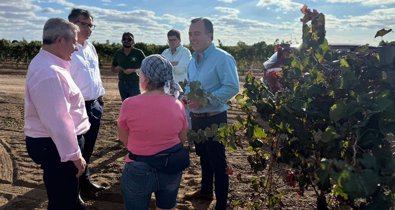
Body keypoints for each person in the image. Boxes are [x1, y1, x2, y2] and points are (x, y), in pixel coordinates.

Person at [24, 18, 90, 210]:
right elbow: (58, 121)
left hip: (55, 144)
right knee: (63, 200)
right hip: (56, 146)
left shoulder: (50, 64)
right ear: (60, 40)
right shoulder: (49, 72)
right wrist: (74, 155)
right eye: (73, 42)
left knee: (62, 193)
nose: (76, 48)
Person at [117, 54, 187, 210]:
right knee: (167, 207)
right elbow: (182, 139)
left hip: (139, 167)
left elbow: (123, 138)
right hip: (171, 166)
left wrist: (142, 147)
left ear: (146, 79)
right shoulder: (178, 104)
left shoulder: (129, 104)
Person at [183, 17, 240, 210]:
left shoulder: (223, 58)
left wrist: (205, 101)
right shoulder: (192, 61)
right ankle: (206, 190)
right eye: (190, 34)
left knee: (219, 164)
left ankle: (221, 205)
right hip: (197, 118)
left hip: (215, 118)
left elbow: (232, 87)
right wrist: (187, 98)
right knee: (204, 158)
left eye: (197, 33)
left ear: (210, 35)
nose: (192, 38)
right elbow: (190, 86)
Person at [68, 8, 107, 200]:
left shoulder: (90, 47)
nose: (89, 28)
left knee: (88, 147)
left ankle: (85, 182)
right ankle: (73, 192)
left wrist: (100, 99)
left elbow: (95, 76)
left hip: (95, 105)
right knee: (76, 150)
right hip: (76, 107)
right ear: (73, 23)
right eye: (85, 24)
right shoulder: (67, 47)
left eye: (91, 24)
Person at [111, 32, 146, 101]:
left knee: (135, 104)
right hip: (122, 83)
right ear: (122, 41)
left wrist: (134, 70)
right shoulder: (118, 53)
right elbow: (113, 68)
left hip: (135, 83)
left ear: (133, 41)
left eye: (129, 39)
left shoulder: (138, 53)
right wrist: (117, 68)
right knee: (125, 104)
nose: (126, 41)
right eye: (124, 39)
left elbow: (146, 67)